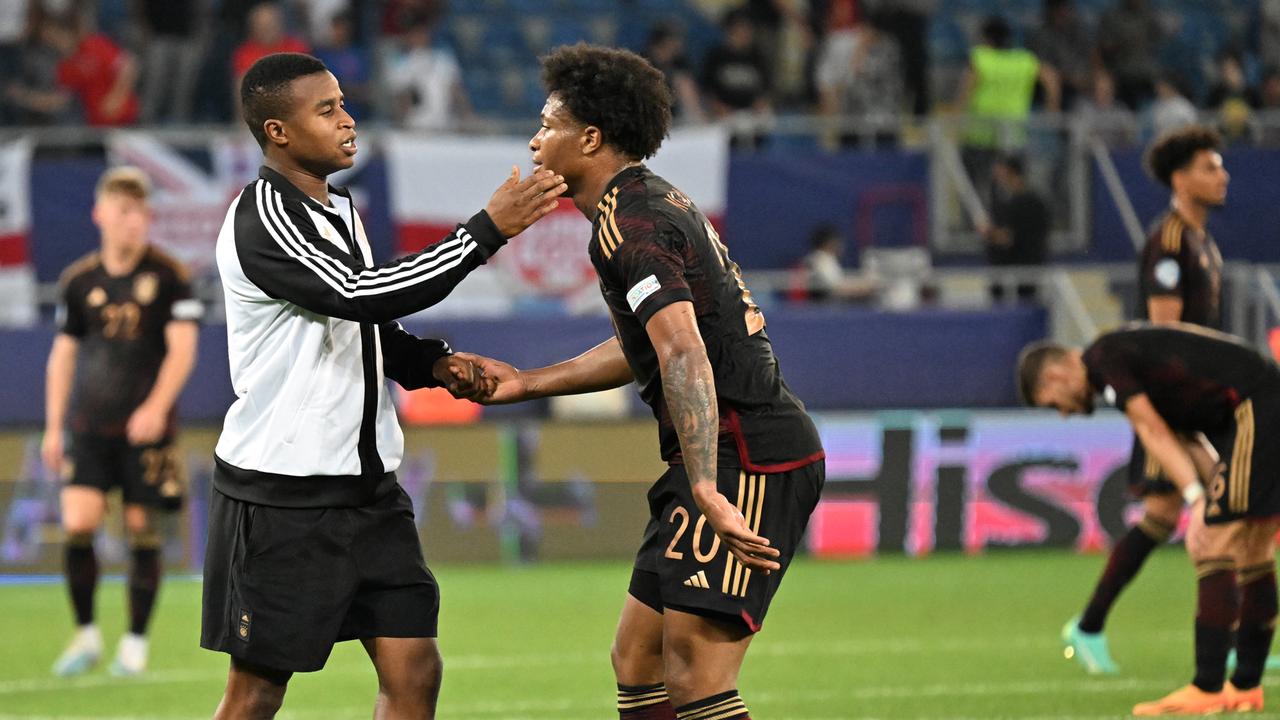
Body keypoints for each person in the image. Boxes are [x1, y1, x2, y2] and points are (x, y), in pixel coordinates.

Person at [455, 44, 826, 720]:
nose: (534, 142)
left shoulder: (632, 223)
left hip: (745, 454)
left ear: (590, 138)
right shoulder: (640, 204)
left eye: (548, 125)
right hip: (717, 454)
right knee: (638, 661)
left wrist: (707, 485)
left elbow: (683, 351)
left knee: (695, 675)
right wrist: (528, 383)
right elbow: (653, 345)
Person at [200, 52, 566, 719]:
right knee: (256, 694)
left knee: (415, 671)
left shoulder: (338, 209)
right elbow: (358, 293)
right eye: (327, 110)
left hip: (370, 493)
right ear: (278, 131)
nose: (348, 120)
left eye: (343, 103)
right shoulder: (262, 215)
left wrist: (431, 364)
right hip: (284, 496)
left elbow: (360, 322)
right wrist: (485, 232)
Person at [1019, 324, 1280, 715]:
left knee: (1210, 543)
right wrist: (1209, 492)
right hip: (1260, 405)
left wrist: (1198, 501)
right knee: (1253, 550)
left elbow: (1153, 431)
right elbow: (1183, 436)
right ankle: (1245, 686)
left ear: (1055, 376)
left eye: (1054, 404)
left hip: (1256, 409)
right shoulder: (1123, 362)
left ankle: (1207, 687)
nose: (1065, 414)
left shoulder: (1105, 359)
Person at [1060, 125, 1228, 674]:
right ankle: (1231, 635)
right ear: (1180, 180)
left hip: (1193, 401)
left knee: (1167, 517)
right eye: (1208, 167)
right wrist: (1183, 418)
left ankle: (1090, 626)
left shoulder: (1202, 242)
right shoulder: (1170, 242)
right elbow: (1165, 339)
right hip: (1171, 405)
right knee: (1218, 509)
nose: (1222, 175)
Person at [43, 166, 204, 678]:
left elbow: (183, 350)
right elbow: (62, 356)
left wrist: (156, 407)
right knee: (78, 522)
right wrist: (53, 426)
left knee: (141, 527)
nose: (134, 221)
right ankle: (86, 633)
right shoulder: (78, 281)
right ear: (101, 214)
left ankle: (134, 642)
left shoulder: (170, 275)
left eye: (141, 212)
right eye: (124, 211)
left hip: (145, 430)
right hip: (88, 426)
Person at [980, 154, 1049, 302]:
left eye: (1000, 171)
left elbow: (1008, 238)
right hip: (1011, 277)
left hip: (1019, 277)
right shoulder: (1009, 201)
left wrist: (988, 233)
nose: (996, 177)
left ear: (1010, 171)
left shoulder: (1027, 203)